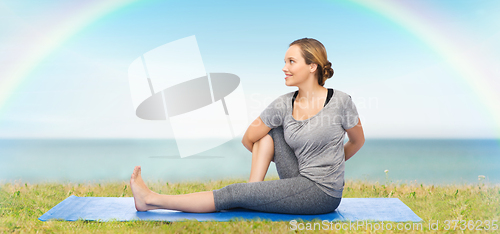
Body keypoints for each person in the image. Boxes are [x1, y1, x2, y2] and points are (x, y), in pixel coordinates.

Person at [130, 38, 365, 214]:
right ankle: (253, 191)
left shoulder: (341, 101)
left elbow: (357, 140)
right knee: (268, 132)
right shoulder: (283, 104)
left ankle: (150, 200)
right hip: (297, 175)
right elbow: (248, 139)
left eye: (291, 61)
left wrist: (332, 164)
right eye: (284, 62)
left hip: (322, 192)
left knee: (232, 193)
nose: (284, 67)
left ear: (312, 66)